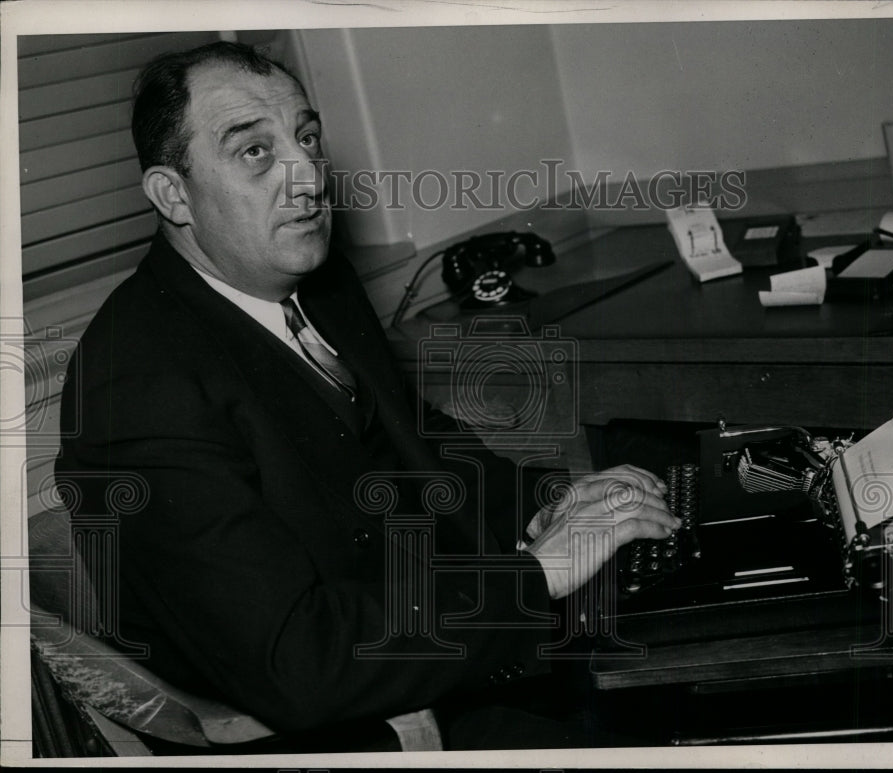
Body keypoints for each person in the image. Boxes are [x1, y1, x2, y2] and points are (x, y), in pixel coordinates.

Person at [55, 41, 678, 751]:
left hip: (430, 648)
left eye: (307, 137)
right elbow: (301, 661)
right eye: (255, 151)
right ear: (173, 194)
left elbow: (417, 437)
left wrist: (547, 505)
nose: (307, 178)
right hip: (349, 732)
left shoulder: (317, 284)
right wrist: (541, 572)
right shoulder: (134, 385)